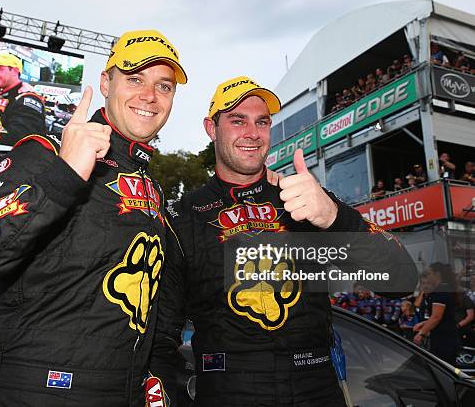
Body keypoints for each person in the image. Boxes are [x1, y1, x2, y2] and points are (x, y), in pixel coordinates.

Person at [0, 29, 187, 406]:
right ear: (105, 83)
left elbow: (160, 312)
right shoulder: (48, 156)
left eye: (165, 86)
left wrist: (160, 387)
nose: (150, 96)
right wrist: (64, 178)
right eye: (135, 79)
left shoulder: (153, 190)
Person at [150, 76, 417, 406]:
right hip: (227, 391)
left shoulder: (306, 199)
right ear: (211, 128)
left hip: (316, 386)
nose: (252, 133)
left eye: (262, 122)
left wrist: (335, 218)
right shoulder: (183, 215)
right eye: (237, 120)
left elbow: (401, 280)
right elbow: (160, 336)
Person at [413, 263, 460, 366]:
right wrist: (424, 323)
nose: (428, 276)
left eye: (430, 273)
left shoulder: (441, 291)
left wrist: (421, 333)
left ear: (437, 274)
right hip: (443, 338)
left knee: (444, 368)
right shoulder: (442, 289)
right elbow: (441, 316)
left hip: (444, 340)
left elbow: (436, 317)